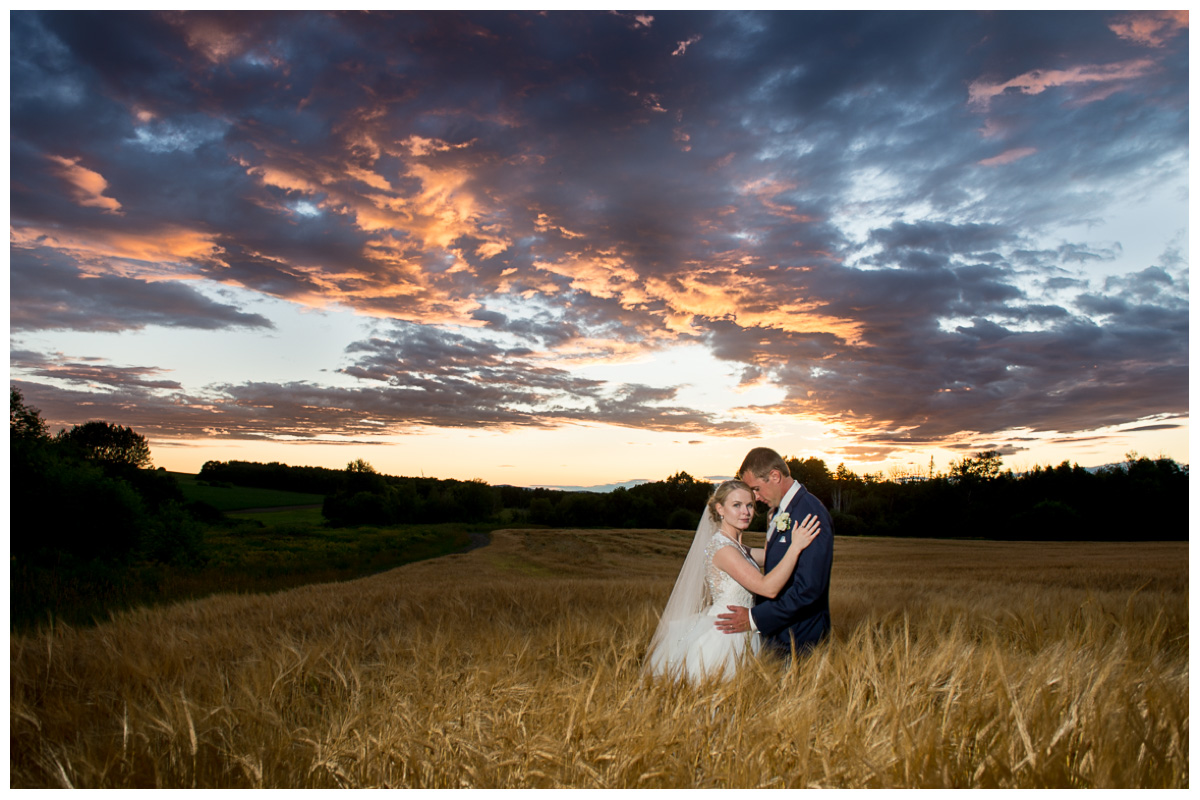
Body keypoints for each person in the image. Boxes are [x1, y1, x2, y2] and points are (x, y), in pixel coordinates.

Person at [645, 479, 820, 680]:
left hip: (742, 629)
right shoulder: (724, 550)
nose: (745, 512)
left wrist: (781, 532)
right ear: (720, 509)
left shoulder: (737, 547)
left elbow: (772, 556)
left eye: (749, 505)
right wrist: (796, 547)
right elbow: (768, 588)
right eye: (736, 505)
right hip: (725, 636)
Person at [715, 447, 834, 659]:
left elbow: (808, 590)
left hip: (800, 637)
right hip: (777, 636)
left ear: (775, 476)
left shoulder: (809, 513)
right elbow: (773, 559)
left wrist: (755, 619)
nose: (756, 498)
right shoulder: (780, 512)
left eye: (757, 489)